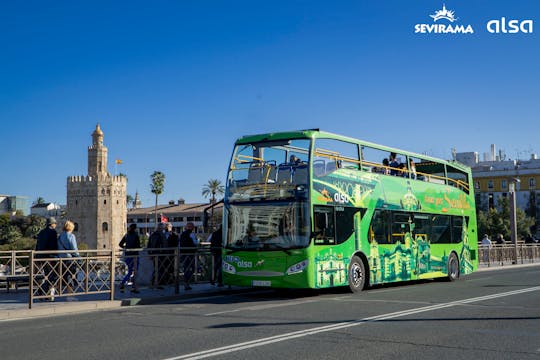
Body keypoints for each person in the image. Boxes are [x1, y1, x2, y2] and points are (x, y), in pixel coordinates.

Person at [35, 217, 59, 300]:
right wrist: (56, 254)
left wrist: (36, 255)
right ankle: (41, 291)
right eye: (55, 223)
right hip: (50, 256)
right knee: (53, 275)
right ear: (52, 224)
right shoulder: (53, 232)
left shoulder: (41, 232)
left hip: (41, 256)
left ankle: (43, 293)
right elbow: (54, 245)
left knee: (47, 275)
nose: (56, 225)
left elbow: (37, 244)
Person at [57, 220, 80, 301]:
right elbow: (74, 248)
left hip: (61, 258)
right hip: (69, 259)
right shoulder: (71, 236)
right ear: (71, 227)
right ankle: (70, 295)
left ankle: (59, 293)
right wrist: (78, 257)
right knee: (71, 276)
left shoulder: (60, 236)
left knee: (63, 276)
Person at [119, 224, 141, 293]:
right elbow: (138, 246)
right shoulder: (136, 235)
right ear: (135, 229)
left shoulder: (126, 235)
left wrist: (126, 248)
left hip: (128, 255)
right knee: (135, 271)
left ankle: (122, 283)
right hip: (134, 255)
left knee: (130, 271)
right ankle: (134, 286)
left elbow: (120, 244)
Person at [147, 222, 167, 289]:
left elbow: (149, 245)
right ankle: (157, 283)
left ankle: (154, 282)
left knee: (157, 269)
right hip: (160, 254)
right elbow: (163, 245)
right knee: (159, 269)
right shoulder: (161, 235)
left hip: (156, 254)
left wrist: (150, 253)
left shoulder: (153, 235)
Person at [179, 222, 198, 290]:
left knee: (186, 268)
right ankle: (186, 282)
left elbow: (180, 243)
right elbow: (195, 243)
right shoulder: (192, 234)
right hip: (190, 253)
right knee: (192, 268)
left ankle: (186, 283)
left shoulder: (182, 234)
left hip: (183, 253)